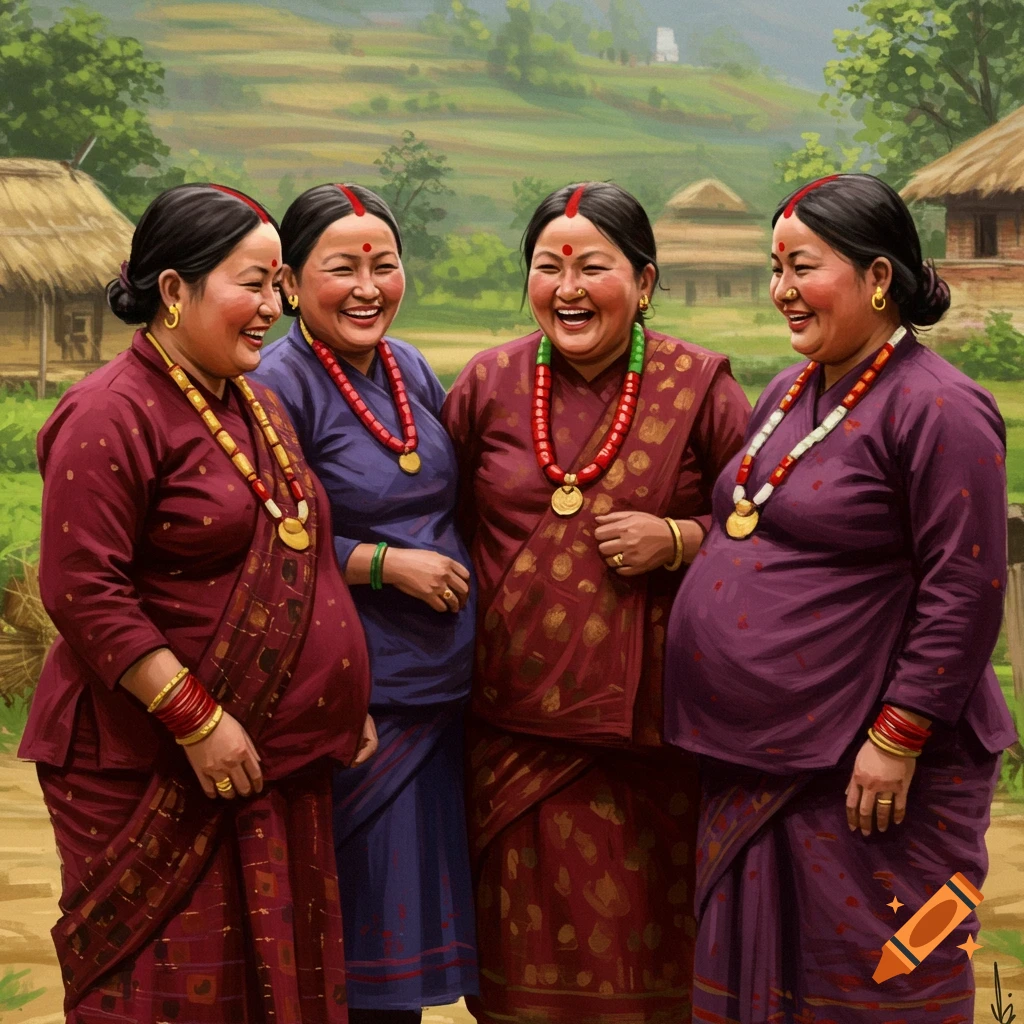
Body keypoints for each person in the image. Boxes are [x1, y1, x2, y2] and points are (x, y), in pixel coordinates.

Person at [20, 183, 377, 1023]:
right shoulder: (108, 412)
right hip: (143, 763)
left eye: (276, 285)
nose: (270, 308)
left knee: (270, 990)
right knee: (168, 992)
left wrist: (338, 702)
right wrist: (198, 721)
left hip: (273, 763)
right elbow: (82, 589)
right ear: (174, 291)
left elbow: (303, 550)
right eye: (249, 285)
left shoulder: (255, 403)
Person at [663, 173, 1017, 1021]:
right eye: (774, 268)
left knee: (869, 984)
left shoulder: (941, 408)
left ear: (878, 277)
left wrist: (897, 737)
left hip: (867, 763)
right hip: (767, 750)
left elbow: (963, 588)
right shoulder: (792, 391)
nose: (782, 290)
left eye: (802, 266)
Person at [442, 181, 751, 1024]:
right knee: (519, 978)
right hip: (511, 737)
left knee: (652, 977)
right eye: (548, 266)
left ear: (644, 283)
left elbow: (766, 536)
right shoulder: (487, 384)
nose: (568, 288)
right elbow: (443, 530)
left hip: (651, 745)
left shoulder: (704, 388)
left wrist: (680, 540)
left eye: (594, 267)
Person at [252, 183, 479, 1024]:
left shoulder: (407, 364)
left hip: (435, 697)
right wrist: (385, 565)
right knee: (353, 946)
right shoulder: (280, 383)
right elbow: (270, 536)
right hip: (361, 700)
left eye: (384, 265)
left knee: (403, 944)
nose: (367, 286)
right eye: (341, 267)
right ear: (288, 284)